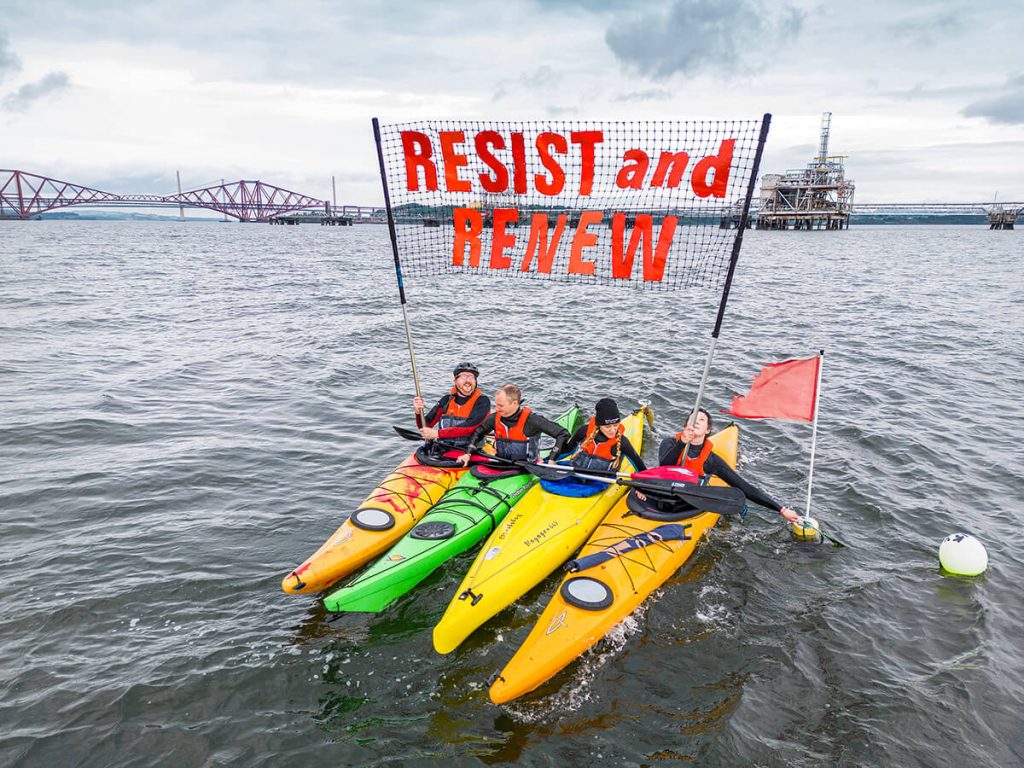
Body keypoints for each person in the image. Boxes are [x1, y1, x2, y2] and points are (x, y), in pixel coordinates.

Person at [647, 407, 799, 523]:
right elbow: (664, 467)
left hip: (687, 503)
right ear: (686, 425)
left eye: (701, 420)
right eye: (692, 419)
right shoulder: (670, 443)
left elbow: (742, 486)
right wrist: (682, 443)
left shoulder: (711, 460)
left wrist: (781, 509)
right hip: (664, 494)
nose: (696, 422)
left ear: (708, 430)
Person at [457, 384, 570, 465]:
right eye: (496, 405)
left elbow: (563, 434)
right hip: (502, 463)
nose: (496, 409)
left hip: (526, 467)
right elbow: (478, 433)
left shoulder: (532, 420)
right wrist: (468, 454)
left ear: (514, 403)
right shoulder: (494, 418)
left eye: (501, 405)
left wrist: (552, 459)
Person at [413, 362, 491, 455]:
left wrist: (438, 434)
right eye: (463, 376)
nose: (468, 380)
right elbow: (425, 426)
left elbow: (470, 427)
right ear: (455, 381)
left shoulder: (483, 401)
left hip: (471, 452)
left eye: (471, 377)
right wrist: (418, 412)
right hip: (444, 450)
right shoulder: (446, 401)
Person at [561, 397, 646, 473]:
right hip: (575, 471)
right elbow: (566, 451)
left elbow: (642, 470)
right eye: (607, 426)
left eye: (616, 425)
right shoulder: (584, 431)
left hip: (601, 480)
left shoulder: (622, 443)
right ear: (599, 425)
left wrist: (642, 489)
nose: (613, 430)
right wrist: (550, 460)